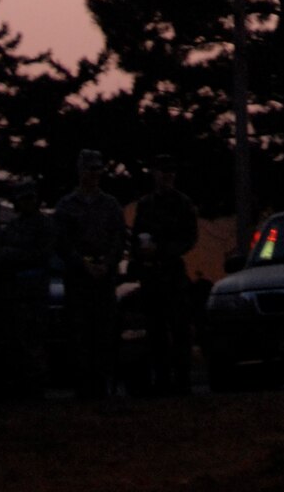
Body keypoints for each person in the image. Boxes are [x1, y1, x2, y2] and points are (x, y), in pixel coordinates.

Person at [53, 149, 127, 398]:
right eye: (90, 169)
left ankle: (103, 383)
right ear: (81, 171)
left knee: (104, 332)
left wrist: (107, 262)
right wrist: (83, 264)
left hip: (104, 277)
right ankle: (83, 386)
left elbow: (119, 238)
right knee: (80, 332)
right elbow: (62, 242)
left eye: (98, 170)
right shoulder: (66, 206)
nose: (95, 174)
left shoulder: (110, 204)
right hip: (78, 278)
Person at [130, 155, 198, 395]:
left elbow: (190, 238)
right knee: (155, 329)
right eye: (163, 171)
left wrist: (165, 251)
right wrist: (142, 252)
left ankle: (182, 380)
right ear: (154, 174)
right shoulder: (145, 205)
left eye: (171, 172)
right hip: (152, 275)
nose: (168, 176)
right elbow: (137, 234)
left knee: (180, 329)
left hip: (172, 273)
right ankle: (161, 379)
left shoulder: (183, 203)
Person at [0, 180, 56, 398]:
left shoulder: (44, 225)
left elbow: (41, 254)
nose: (27, 203)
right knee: (16, 341)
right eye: (23, 199)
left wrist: (15, 255)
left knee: (34, 341)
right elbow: (1, 253)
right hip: (15, 293)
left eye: (30, 198)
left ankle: (36, 386)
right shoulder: (14, 226)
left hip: (35, 292)